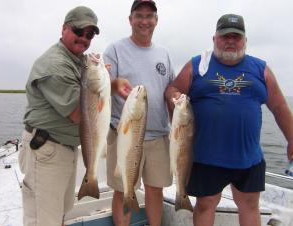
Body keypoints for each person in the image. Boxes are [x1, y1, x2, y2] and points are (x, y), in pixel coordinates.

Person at [165, 14, 293, 226]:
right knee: (205, 205)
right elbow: (173, 88)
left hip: (248, 157)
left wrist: (291, 138)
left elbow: (279, 107)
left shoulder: (261, 69)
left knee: (250, 206)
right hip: (206, 157)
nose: (231, 41)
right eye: (225, 36)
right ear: (214, 39)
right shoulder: (198, 65)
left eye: (236, 36)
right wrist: (174, 97)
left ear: (245, 40)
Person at [18, 6, 100, 226]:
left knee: (58, 214)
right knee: (44, 220)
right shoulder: (55, 64)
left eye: (90, 34)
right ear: (64, 28)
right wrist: (100, 84)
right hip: (46, 150)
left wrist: (104, 79)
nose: (84, 38)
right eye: (79, 31)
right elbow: (78, 114)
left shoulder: (78, 60)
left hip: (64, 149)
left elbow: (89, 92)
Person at [103, 1, 175, 225]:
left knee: (156, 191)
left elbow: (170, 91)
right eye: (139, 16)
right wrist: (115, 84)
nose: (144, 21)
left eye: (149, 16)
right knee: (123, 190)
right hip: (124, 134)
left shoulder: (164, 53)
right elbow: (101, 88)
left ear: (156, 20)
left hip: (159, 136)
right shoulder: (114, 49)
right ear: (130, 19)